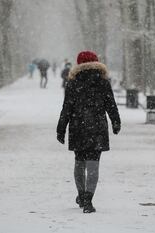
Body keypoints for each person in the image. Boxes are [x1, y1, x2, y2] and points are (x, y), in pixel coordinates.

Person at [56, 51, 121, 213]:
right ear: (96, 62)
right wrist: (116, 121)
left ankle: (81, 194)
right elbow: (110, 104)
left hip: (78, 127)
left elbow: (67, 108)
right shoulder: (103, 82)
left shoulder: (72, 82)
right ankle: (88, 199)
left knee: (79, 162)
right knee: (93, 163)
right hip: (97, 128)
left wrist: (61, 129)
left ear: (78, 64)